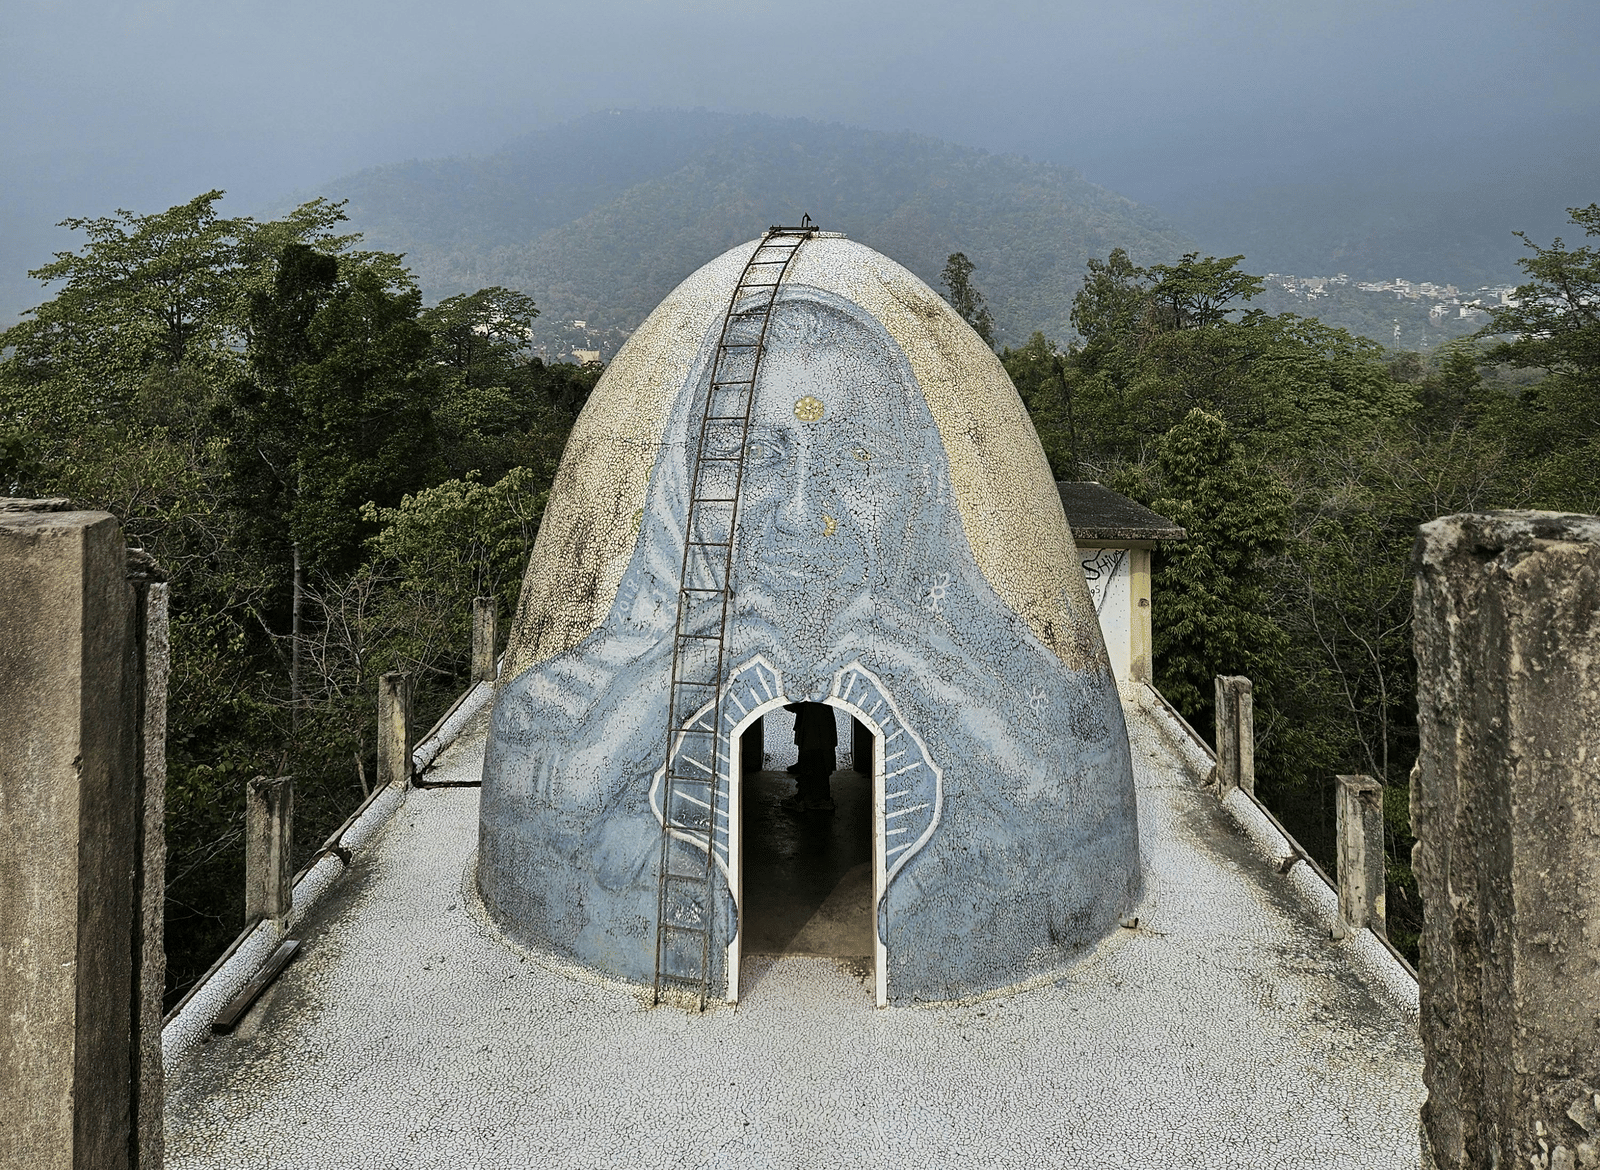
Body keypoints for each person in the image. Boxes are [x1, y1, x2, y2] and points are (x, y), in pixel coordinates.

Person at [783, 701, 837, 810]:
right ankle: (815, 796)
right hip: (816, 719)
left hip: (813, 722)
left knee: (812, 757)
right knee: (816, 756)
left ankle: (807, 798)